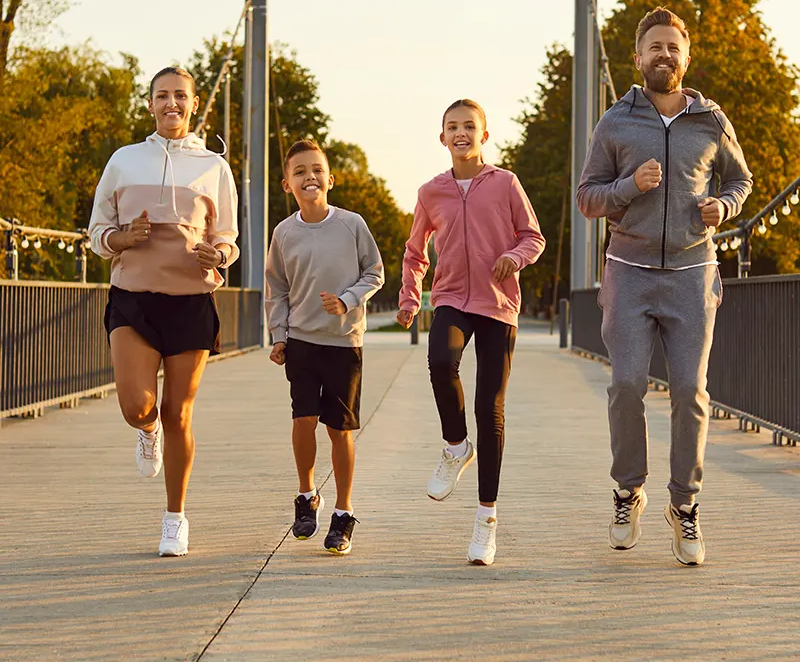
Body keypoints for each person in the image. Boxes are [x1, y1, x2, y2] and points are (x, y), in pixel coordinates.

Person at [577, 8, 752, 566]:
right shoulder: (614, 121)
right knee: (626, 385)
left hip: (692, 274)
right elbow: (587, 198)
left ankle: (685, 505)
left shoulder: (711, 121)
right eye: (654, 47)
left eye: (673, 48)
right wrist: (629, 186)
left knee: (690, 393)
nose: (664, 56)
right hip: (627, 274)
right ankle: (629, 491)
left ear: (686, 56)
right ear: (637, 58)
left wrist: (722, 205)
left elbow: (740, 179)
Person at [89, 66, 238, 557]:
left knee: (180, 413)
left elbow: (229, 239)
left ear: (194, 103)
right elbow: (96, 232)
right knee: (138, 406)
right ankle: (145, 432)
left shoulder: (213, 166)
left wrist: (218, 256)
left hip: (192, 301)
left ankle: (175, 518)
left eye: (179, 95)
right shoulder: (123, 160)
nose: (171, 103)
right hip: (133, 295)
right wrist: (120, 239)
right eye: (161, 96)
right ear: (149, 104)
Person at [397, 99, 545, 566]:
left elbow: (533, 236)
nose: (460, 133)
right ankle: (456, 446)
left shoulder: (506, 184)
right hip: (451, 299)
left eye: (469, 126)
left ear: (484, 134)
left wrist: (514, 258)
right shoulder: (430, 192)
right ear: (442, 137)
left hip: (497, 303)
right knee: (440, 360)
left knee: (491, 407)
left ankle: (486, 521)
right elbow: (416, 250)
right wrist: (408, 297)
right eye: (451, 127)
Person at [266, 139, 384, 556]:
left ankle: (343, 513)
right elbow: (276, 289)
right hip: (300, 341)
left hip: (343, 343)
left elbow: (375, 272)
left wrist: (348, 300)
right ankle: (306, 495)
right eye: (299, 172)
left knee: (340, 429)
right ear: (287, 185)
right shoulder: (283, 233)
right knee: (303, 420)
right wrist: (278, 335)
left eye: (316, 170)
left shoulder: (352, 225)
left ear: (330, 179)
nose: (309, 177)